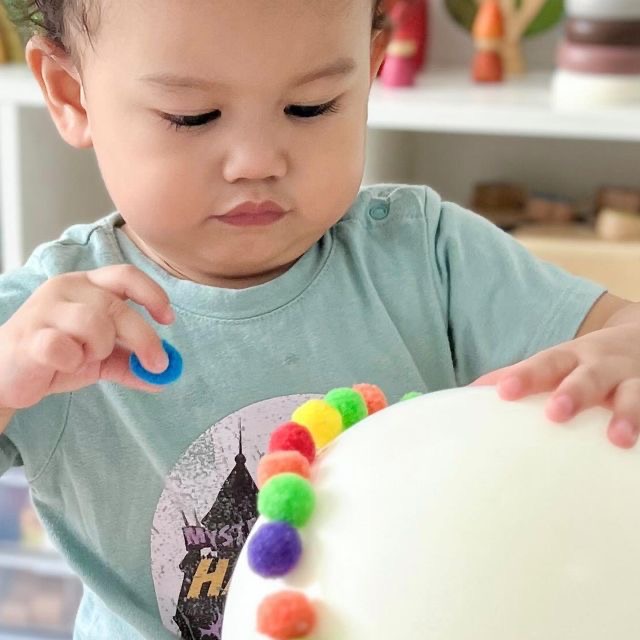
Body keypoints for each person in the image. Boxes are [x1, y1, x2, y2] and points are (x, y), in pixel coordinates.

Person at [1, 1, 639, 638]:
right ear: (71, 96)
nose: (258, 160)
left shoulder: (431, 258)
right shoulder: (44, 327)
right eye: (192, 117)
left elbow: (624, 330)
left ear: (371, 72)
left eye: (310, 107)